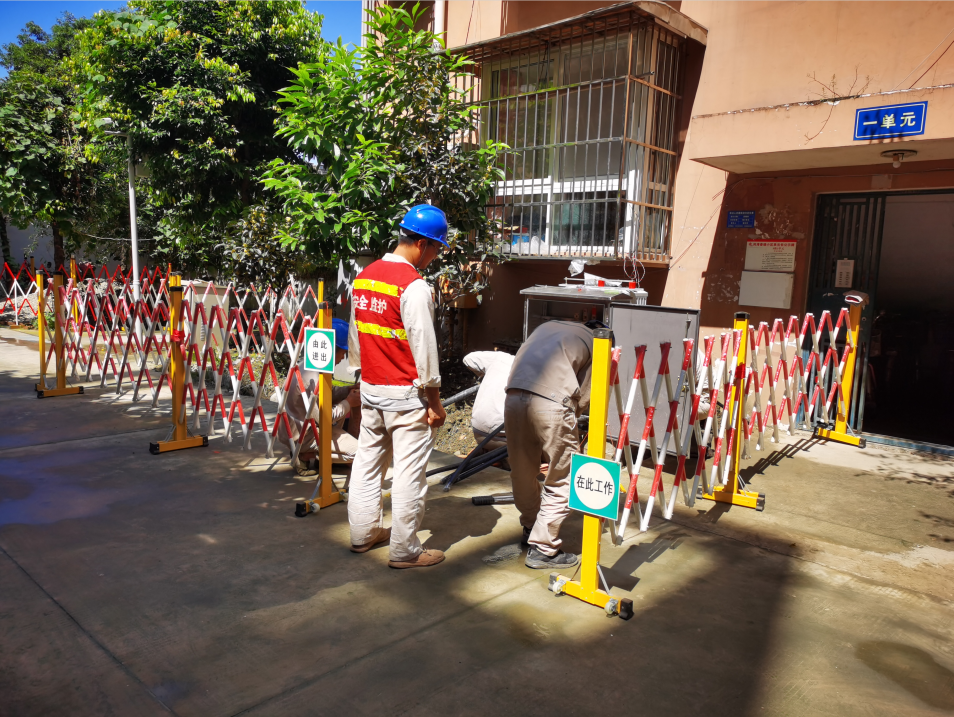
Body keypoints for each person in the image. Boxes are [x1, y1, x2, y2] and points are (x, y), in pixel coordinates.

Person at [346, 204, 448, 569]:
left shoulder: (364, 278)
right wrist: (434, 400)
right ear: (422, 244)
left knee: (367, 463)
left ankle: (362, 535)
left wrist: (361, 376)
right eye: (436, 249)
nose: (435, 257)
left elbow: (356, 337)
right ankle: (405, 551)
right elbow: (424, 348)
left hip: (372, 389)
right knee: (409, 474)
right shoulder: (413, 286)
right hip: (406, 396)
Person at [505, 320, 602, 570]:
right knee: (564, 476)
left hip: (513, 397)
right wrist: (570, 422)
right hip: (552, 403)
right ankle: (543, 549)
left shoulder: (547, 327)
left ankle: (531, 527)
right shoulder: (597, 343)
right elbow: (586, 395)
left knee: (522, 471)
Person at [276, 318, 361, 475]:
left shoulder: (309, 365)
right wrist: (348, 402)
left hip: (303, 427)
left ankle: (322, 453)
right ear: (332, 349)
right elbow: (324, 418)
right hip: (303, 434)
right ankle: (306, 454)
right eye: (343, 353)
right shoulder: (312, 378)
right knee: (360, 454)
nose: (342, 359)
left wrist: (347, 390)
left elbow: (327, 395)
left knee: (347, 402)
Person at [462, 350, 514, 452]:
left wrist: (484, 374)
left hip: (479, 432)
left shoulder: (501, 357)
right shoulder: (539, 371)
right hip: (507, 439)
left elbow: (468, 359)